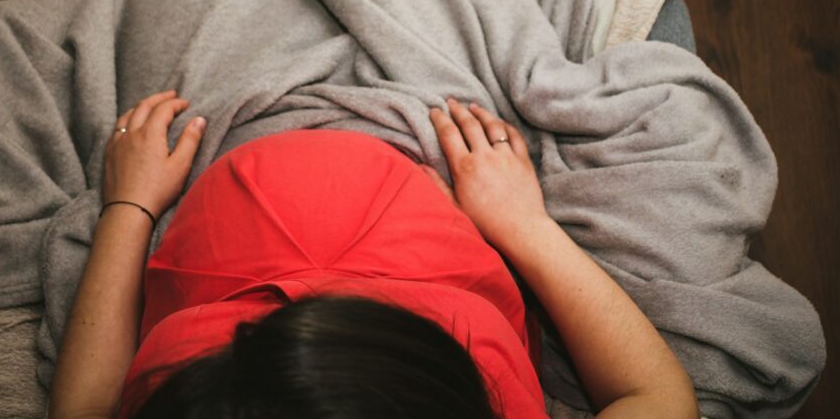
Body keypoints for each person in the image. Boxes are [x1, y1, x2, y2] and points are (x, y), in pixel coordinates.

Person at [47, 89, 701, 419]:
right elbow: (658, 394)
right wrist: (525, 225)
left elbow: (82, 412)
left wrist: (128, 207)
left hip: (224, 223)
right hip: (426, 229)